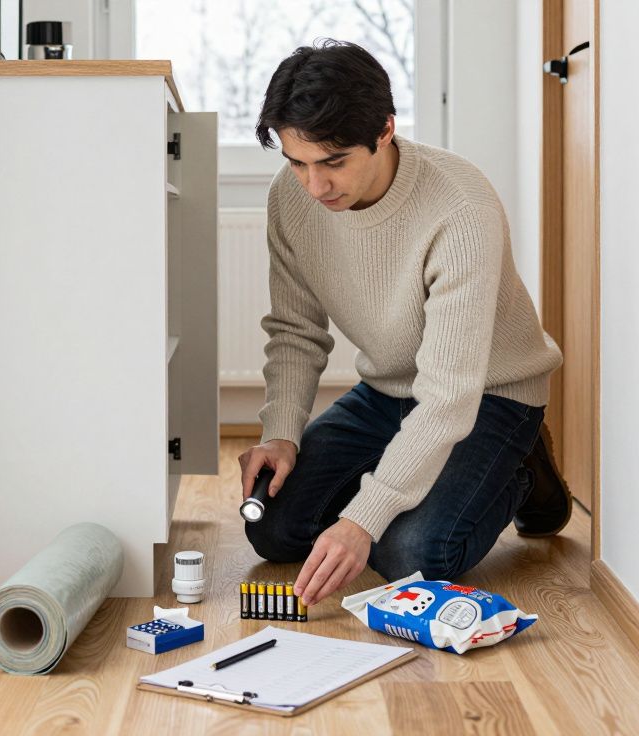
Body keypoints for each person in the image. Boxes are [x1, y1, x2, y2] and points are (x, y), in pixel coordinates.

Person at [239, 40, 570, 608]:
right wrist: (281, 433)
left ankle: (522, 467)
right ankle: (403, 469)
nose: (315, 187)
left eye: (334, 162)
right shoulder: (290, 201)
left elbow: (446, 398)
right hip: (387, 392)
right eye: (298, 163)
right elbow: (296, 331)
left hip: (488, 395)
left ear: (385, 130)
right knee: (272, 529)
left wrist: (361, 520)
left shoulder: (459, 208)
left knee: (410, 554)